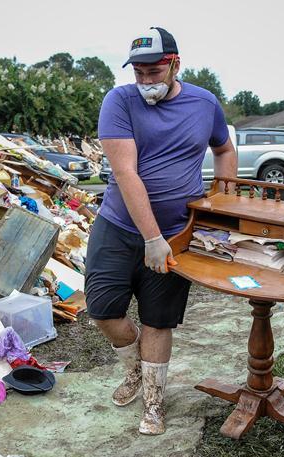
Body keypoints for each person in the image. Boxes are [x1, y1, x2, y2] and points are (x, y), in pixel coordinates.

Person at [87, 27, 238, 435]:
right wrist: (151, 239)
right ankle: (135, 368)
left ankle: (153, 401)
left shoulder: (204, 104)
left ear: (175, 64)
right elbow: (126, 172)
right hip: (119, 226)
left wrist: (220, 209)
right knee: (102, 309)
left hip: (177, 231)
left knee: (158, 321)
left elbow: (224, 149)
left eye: (154, 71)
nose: (146, 81)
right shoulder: (118, 101)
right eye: (139, 72)